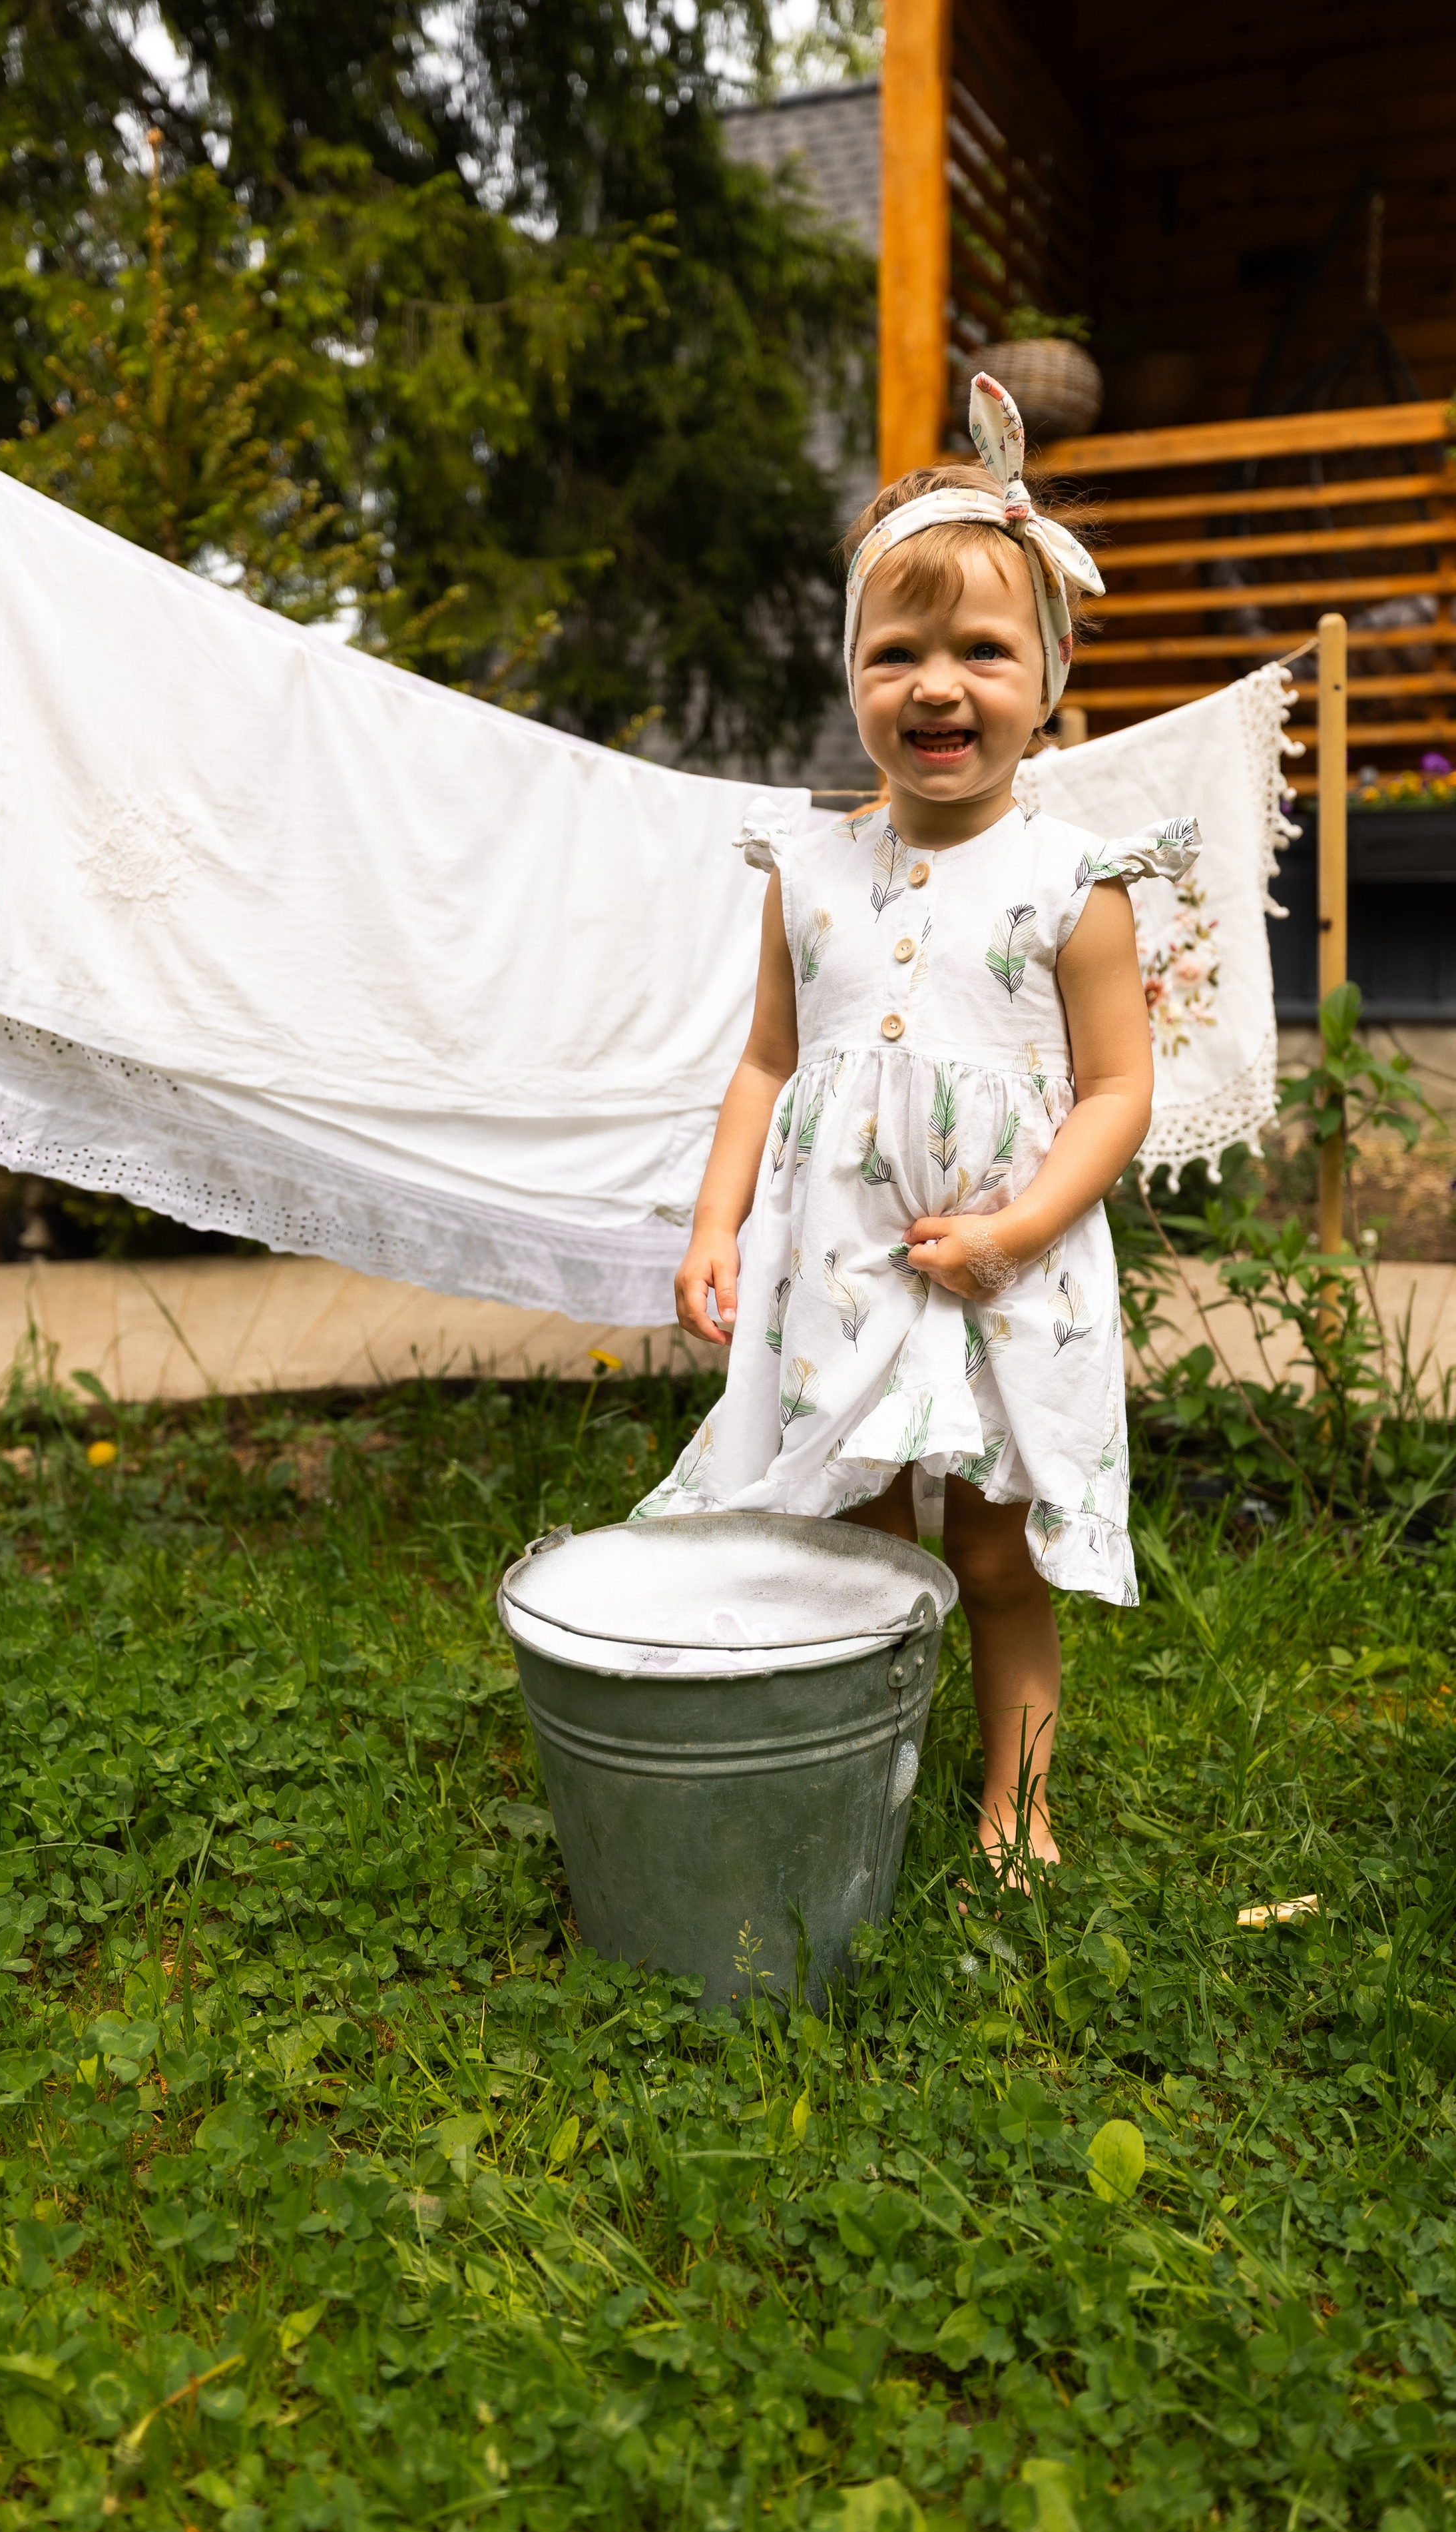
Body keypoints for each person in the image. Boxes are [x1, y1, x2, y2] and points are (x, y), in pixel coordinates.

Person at [634, 374, 1198, 1875]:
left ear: (1048, 676)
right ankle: (857, 1770)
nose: (935, 686)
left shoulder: (1076, 881)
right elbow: (764, 1062)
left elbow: (1114, 1092)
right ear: (849, 676)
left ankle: (1015, 1799)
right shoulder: (806, 870)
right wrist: (710, 1223)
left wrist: (1016, 1225)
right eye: (896, 653)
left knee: (989, 1547)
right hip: (845, 1260)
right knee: (864, 1535)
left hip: (1004, 1265)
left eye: (980, 652)